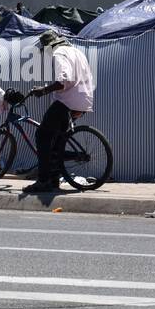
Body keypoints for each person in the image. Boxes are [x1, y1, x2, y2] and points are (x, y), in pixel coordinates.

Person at [22, 29, 95, 193]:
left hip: (67, 102)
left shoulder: (59, 53)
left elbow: (63, 81)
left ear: (48, 47)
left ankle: (43, 180)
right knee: (56, 142)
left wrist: (43, 90)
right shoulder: (77, 52)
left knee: (42, 135)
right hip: (83, 101)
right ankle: (54, 180)